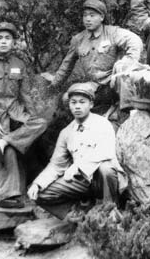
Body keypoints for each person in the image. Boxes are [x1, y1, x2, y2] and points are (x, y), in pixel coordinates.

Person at [0, 22, 48, 208]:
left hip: (16, 116)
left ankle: (6, 141)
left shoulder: (18, 64)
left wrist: (31, 116)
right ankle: (8, 197)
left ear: (13, 42)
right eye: (0, 38)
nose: (4, 41)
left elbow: (25, 95)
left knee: (41, 123)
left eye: (8, 38)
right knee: (9, 152)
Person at [27, 82, 126, 219]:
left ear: (91, 104)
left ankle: (110, 209)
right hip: (81, 182)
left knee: (106, 168)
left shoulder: (103, 124)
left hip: (102, 180)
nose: (77, 106)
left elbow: (105, 152)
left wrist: (78, 166)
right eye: (73, 102)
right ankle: (77, 214)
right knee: (40, 194)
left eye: (82, 102)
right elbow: (56, 165)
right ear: (69, 105)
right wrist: (38, 184)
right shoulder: (66, 132)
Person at [41, 0, 143, 112]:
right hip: (94, 85)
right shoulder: (78, 40)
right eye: (85, 15)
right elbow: (66, 66)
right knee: (67, 99)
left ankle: (123, 111)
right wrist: (53, 85)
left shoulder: (113, 33)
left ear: (102, 17)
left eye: (92, 15)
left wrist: (127, 62)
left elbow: (135, 41)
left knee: (124, 93)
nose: (87, 19)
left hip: (114, 83)